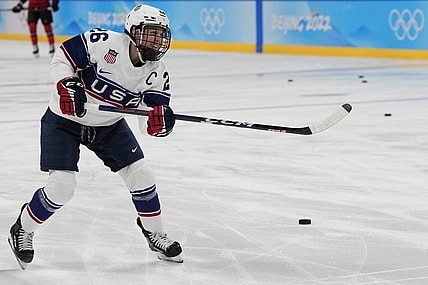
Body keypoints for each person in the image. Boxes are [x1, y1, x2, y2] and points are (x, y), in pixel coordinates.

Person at [8, 4, 182, 270]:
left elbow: (148, 116)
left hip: (109, 125)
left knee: (142, 174)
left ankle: (154, 233)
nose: (157, 41)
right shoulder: (104, 44)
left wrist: (159, 121)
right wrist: (66, 83)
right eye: (151, 33)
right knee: (62, 187)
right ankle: (23, 228)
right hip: (63, 121)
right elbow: (62, 57)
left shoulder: (157, 72)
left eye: (161, 35)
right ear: (133, 31)